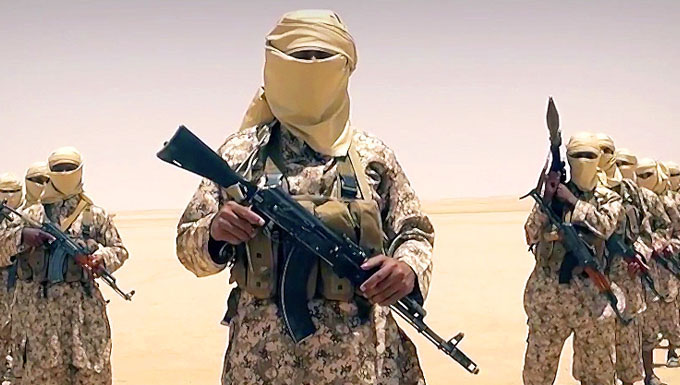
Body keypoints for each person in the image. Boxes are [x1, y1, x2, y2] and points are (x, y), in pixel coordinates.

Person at [176, 9, 434, 384]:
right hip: (260, 364)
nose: (312, 66)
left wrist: (407, 269)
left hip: (360, 361)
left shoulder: (372, 158)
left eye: (322, 57)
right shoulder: (240, 155)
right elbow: (188, 247)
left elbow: (415, 232)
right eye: (300, 57)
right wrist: (214, 232)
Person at [4, 147, 129, 385]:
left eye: (69, 168)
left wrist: (101, 258)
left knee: (91, 374)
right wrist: (22, 237)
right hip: (40, 317)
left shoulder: (95, 215)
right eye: (58, 169)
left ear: (80, 171)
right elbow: (2, 250)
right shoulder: (32, 215)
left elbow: (119, 250)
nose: (63, 173)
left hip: (83, 316)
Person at [522, 132, 622, 385]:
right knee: (538, 373)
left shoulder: (607, 197)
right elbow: (531, 233)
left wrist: (574, 202)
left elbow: (606, 226)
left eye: (589, 156)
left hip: (591, 296)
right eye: (577, 156)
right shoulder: (552, 197)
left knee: (597, 373)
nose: (583, 161)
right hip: (549, 296)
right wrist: (547, 199)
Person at [593, 135, 646, 385]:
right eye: (598, 150)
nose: (603, 155)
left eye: (607, 150)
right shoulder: (589, 188)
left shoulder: (630, 189)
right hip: (597, 276)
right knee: (599, 345)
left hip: (627, 275)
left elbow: (645, 231)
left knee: (627, 341)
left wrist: (641, 254)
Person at [635, 158, 679, 385]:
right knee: (648, 326)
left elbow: (675, 233)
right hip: (643, 273)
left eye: (647, 175)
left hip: (668, 272)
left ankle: (673, 351)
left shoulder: (669, 204)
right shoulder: (633, 199)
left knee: (673, 320)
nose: (643, 181)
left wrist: (664, 246)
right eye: (639, 175)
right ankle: (649, 374)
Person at [0, 173, 24, 382]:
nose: (8, 197)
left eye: (13, 192)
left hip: (21, 283)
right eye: (4, 192)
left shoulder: (30, 215)